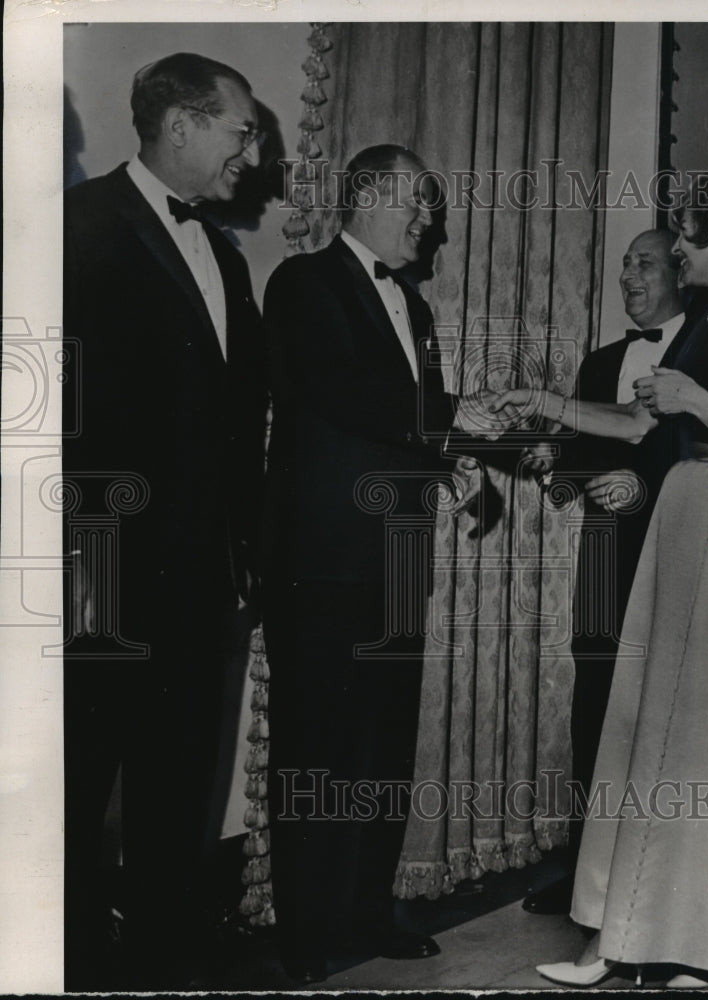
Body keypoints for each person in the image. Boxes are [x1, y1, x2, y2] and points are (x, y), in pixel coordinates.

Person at [491, 176, 708, 986]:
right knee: (647, 728)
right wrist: (542, 401)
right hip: (681, 521)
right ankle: (621, 940)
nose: (675, 248)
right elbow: (641, 423)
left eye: (684, 233)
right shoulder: (703, 326)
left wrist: (699, 401)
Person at [62, 53, 268, 989]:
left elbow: (238, 428)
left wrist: (241, 556)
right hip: (100, 567)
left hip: (197, 574)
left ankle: (155, 958)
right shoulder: (79, 226)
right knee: (74, 780)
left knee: (174, 781)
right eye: (242, 130)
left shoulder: (226, 256)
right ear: (180, 126)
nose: (252, 153)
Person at [261, 144, 482, 984]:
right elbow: (345, 393)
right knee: (315, 747)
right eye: (415, 203)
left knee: (382, 745)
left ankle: (364, 906)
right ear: (363, 198)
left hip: (395, 560)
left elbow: (405, 425)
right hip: (319, 560)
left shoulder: (416, 308)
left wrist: (455, 467)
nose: (427, 220)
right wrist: (467, 418)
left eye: (429, 206)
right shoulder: (303, 284)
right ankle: (307, 929)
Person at [520, 230, 704, 915]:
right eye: (624, 263)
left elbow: (701, 450)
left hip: (681, 550)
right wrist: (552, 462)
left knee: (673, 706)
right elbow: (574, 460)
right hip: (605, 560)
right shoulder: (599, 362)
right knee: (595, 704)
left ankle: (666, 880)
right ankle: (584, 874)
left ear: (680, 273)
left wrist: (642, 487)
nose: (628, 274)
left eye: (645, 262)